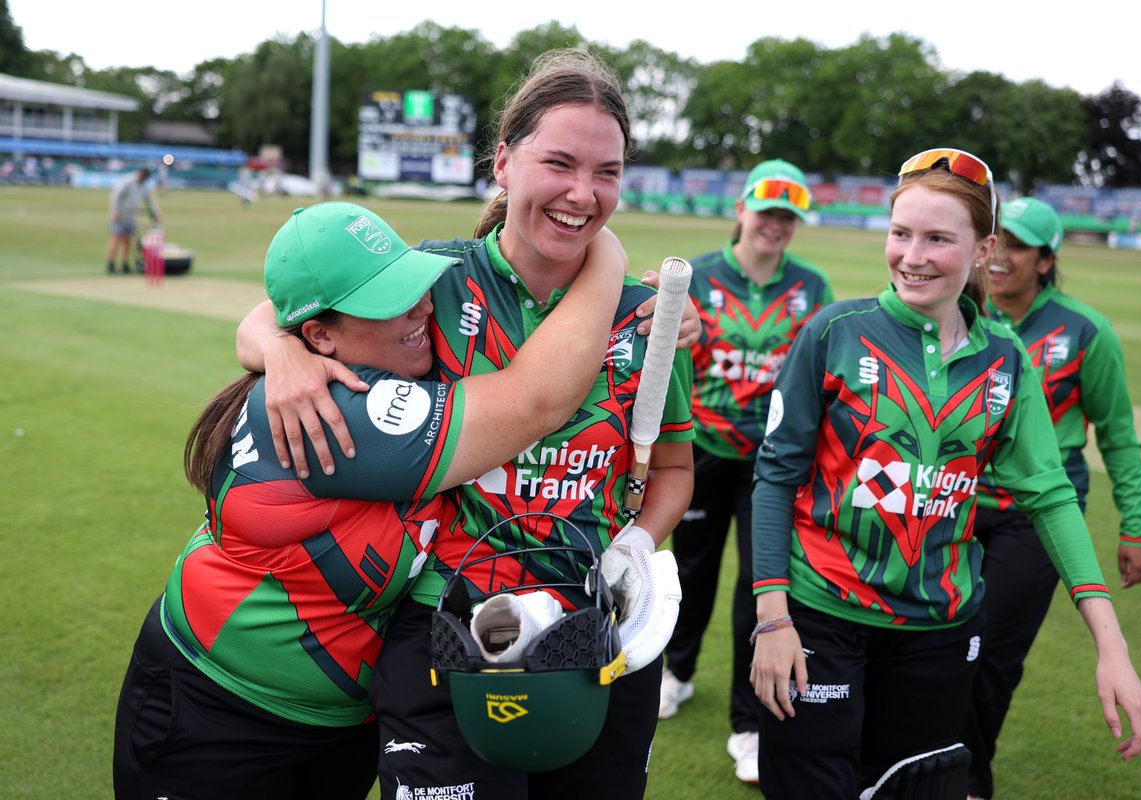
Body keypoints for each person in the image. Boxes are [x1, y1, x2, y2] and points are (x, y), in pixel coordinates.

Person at [235, 49, 696, 799]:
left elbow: (672, 468)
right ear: (504, 162)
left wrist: (639, 543)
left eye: (607, 172)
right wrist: (280, 349)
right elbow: (286, 309)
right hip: (443, 625)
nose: (583, 194)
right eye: (559, 163)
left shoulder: (650, 318)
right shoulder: (432, 279)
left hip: (596, 630)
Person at [112, 200, 629, 799]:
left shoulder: (369, 358)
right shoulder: (340, 414)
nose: (423, 308)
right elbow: (537, 401)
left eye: (413, 287)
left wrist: (275, 343)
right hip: (219, 713)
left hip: (341, 722)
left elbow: (272, 314)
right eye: (390, 302)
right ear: (320, 337)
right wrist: (607, 253)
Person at [748, 147, 1141, 799]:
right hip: (821, 614)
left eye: (938, 238)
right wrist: (773, 617)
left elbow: (1051, 497)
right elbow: (775, 477)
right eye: (900, 233)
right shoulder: (834, 332)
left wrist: (1113, 646)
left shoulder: (1005, 358)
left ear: (983, 249)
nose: (912, 256)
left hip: (939, 631)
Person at [960, 196, 1141, 800]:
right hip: (955, 505)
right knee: (936, 645)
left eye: (1018, 246)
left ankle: (969, 781)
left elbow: (1118, 436)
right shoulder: (959, 315)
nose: (1001, 256)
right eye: (998, 241)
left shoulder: (1087, 332)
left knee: (991, 653)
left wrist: (1135, 527)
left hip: (1034, 517)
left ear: (1045, 261)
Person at [657, 158, 833, 785]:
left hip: (774, 461)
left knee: (760, 588)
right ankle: (677, 673)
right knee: (692, 572)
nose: (775, 225)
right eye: (766, 212)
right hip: (700, 449)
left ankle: (749, 723)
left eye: (787, 217)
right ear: (741, 210)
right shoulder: (700, 276)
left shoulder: (811, 287)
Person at [106, 166, 159, 274]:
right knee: (117, 238)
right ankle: (110, 264)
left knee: (128, 240)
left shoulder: (143, 186)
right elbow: (116, 196)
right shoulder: (128, 181)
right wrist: (115, 212)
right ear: (140, 174)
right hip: (120, 215)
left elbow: (149, 201)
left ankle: (125, 264)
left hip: (131, 216)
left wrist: (155, 213)